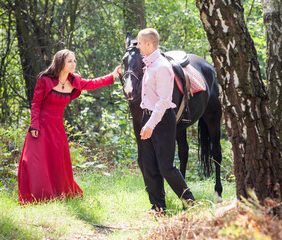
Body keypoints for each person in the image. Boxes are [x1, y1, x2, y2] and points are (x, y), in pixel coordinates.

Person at [18, 49, 121, 204]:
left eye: (74, 61)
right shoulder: (44, 79)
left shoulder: (75, 80)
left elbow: (93, 83)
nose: (73, 64)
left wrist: (112, 76)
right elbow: (36, 103)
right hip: (40, 127)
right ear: (61, 62)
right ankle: (38, 195)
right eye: (70, 61)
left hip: (57, 128)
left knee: (58, 162)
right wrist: (34, 126)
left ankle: (57, 193)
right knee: (35, 161)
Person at [136, 28, 195, 212]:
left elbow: (163, 101)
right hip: (148, 115)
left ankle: (190, 202)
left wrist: (150, 125)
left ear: (148, 44)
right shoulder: (150, 64)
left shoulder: (161, 66)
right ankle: (158, 207)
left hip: (161, 120)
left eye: (139, 42)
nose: (137, 46)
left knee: (166, 166)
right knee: (148, 164)